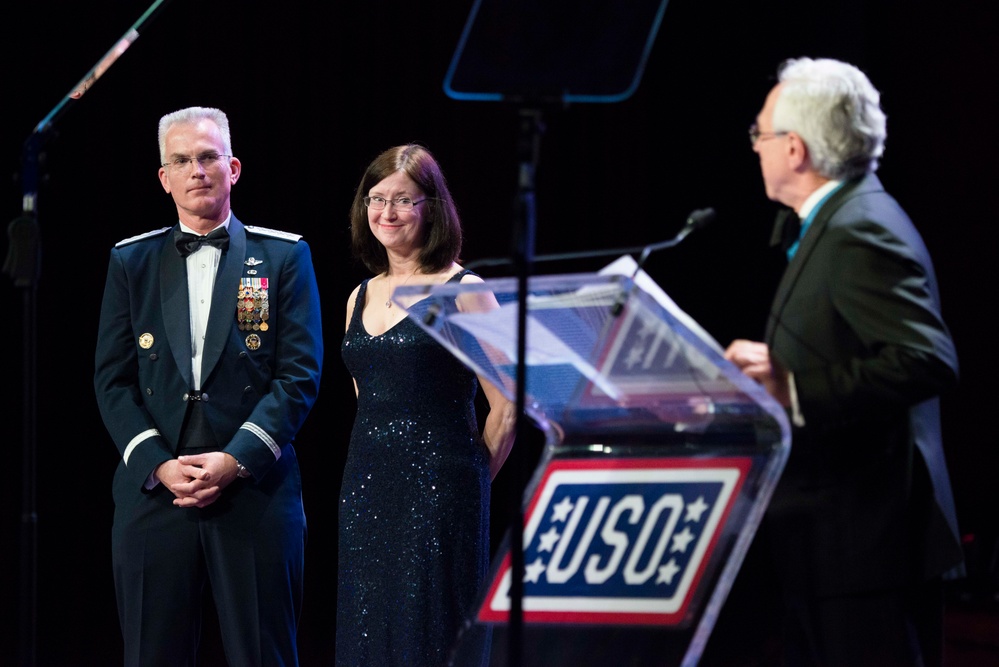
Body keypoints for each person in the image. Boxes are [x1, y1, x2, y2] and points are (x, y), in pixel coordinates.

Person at [718, 58, 964, 666]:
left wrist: (795, 390)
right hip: (831, 545)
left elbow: (926, 358)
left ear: (795, 148)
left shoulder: (859, 228)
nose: (756, 148)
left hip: (868, 548)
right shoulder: (837, 220)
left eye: (760, 134)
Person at [94, 106, 323, 666]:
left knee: (263, 654)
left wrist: (236, 460)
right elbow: (113, 379)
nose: (196, 170)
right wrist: (157, 463)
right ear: (163, 177)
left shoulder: (284, 255)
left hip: (254, 487)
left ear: (233, 167)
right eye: (182, 160)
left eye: (207, 157)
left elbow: (298, 376)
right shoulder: (132, 260)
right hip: (156, 490)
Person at [337, 144, 516, 666]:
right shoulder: (359, 295)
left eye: (402, 200)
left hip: (442, 491)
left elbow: (505, 407)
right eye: (376, 198)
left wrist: (471, 480)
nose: (386, 213)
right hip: (365, 489)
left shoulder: (464, 290)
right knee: (368, 627)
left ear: (431, 208)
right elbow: (367, 399)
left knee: (431, 636)